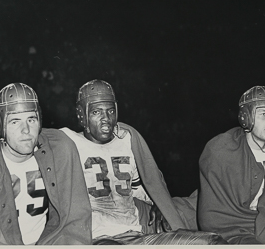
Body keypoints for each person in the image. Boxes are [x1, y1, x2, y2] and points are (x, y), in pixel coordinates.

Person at [61, 79, 228, 245]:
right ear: (81, 115)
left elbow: (140, 189)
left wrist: (157, 203)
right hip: (99, 238)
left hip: (136, 235)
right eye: (96, 112)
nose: (106, 119)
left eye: (110, 111)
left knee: (212, 242)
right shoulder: (69, 143)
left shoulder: (126, 140)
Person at [0, 83, 92, 245]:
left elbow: (74, 221)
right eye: (15, 121)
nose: (26, 130)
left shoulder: (58, 152)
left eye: (31, 119)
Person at [198, 85, 265, 244]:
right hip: (233, 228)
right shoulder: (221, 149)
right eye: (263, 114)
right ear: (246, 117)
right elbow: (214, 216)